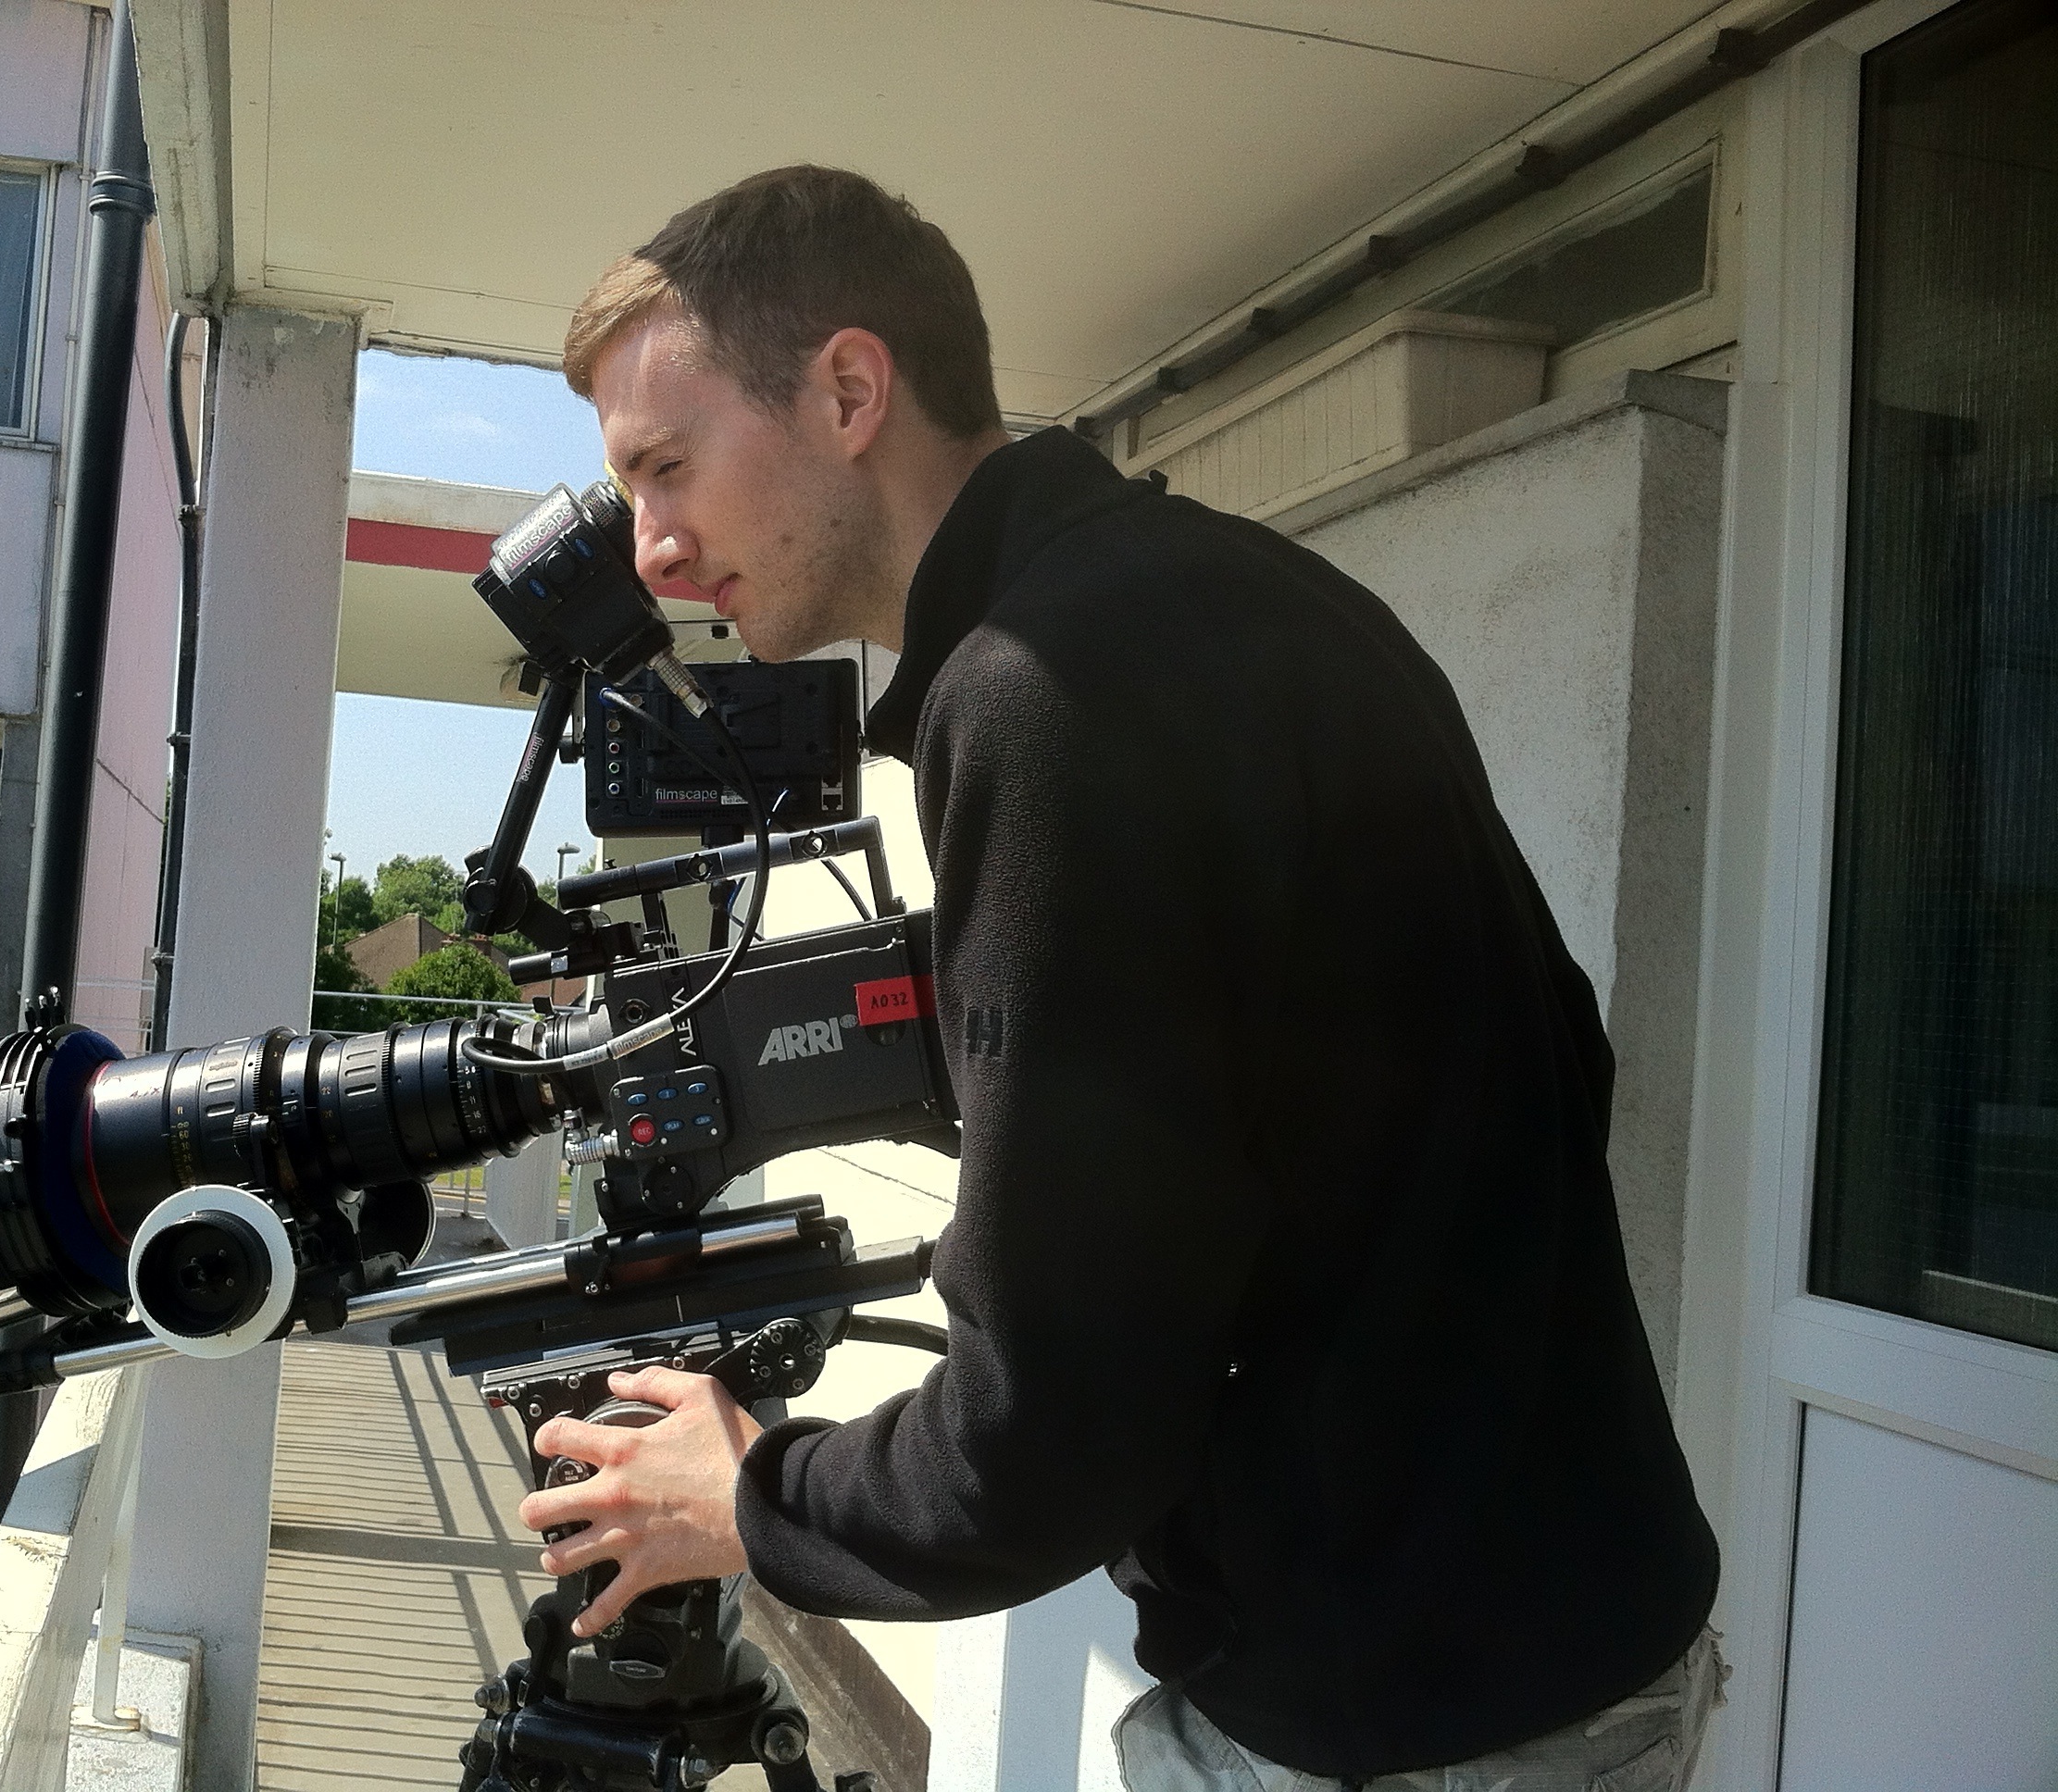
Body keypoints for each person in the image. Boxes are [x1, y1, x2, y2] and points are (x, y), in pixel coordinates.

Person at [516, 165, 1725, 1791]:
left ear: (852, 390)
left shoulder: (1038, 690)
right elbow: (1544, 1049)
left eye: (666, 468)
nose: (653, 550)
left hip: (1399, 1729)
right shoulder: (1252, 594)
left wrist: (748, 1499)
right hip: (1574, 1648)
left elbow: (1047, 1443)